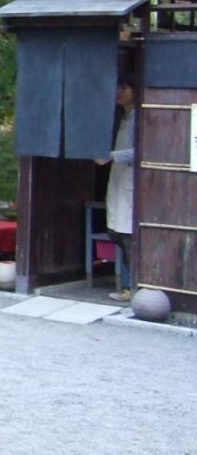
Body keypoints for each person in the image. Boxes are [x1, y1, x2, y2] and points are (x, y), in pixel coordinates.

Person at [97, 79, 137, 302]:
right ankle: (129, 285)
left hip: (132, 181)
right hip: (119, 180)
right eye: (117, 87)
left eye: (124, 88)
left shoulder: (140, 117)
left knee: (129, 235)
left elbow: (142, 149)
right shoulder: (124, 117)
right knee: (117, 233)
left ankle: (133, 287)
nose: (119, 92)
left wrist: (111, 156)